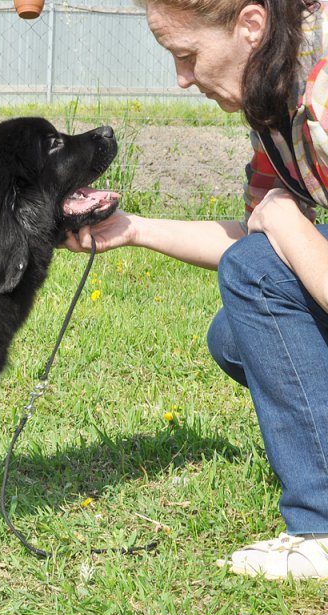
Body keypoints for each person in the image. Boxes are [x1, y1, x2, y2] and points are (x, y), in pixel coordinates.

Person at [62, 0, 328, 579]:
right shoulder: (277, 93)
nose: (182, 78)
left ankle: (322, 527)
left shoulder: (324, 90)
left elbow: (271, 248)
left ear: (250, 26)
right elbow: (264, 238)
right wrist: (132, 230)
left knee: (257, 276)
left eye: (187, 55)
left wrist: (284, 223)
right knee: (236, 335)